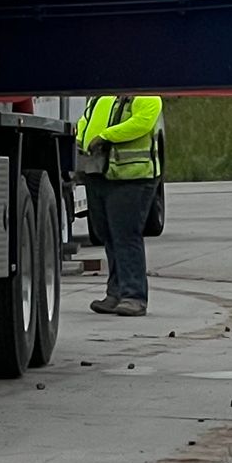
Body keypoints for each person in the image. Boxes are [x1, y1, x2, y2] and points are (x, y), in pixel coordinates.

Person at [76, 92, 165, 316]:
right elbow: (85, 120)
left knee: (126, 235)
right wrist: (78, 140)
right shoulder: (102, 96)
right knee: (107, 234)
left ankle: (134, 296)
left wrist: (106, 136)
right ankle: (115, 293)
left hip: (132, 178)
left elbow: (141, 123)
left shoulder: (146, 94)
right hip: (100, 173)